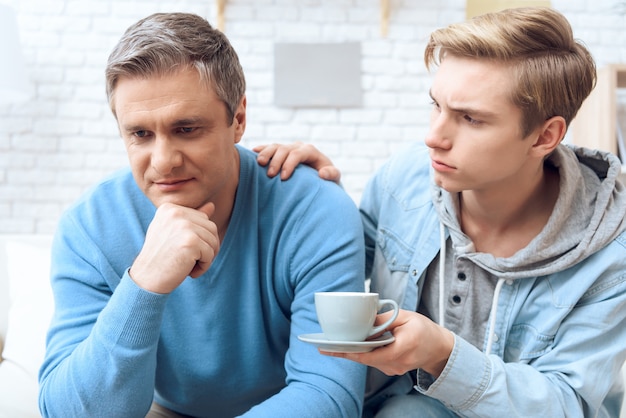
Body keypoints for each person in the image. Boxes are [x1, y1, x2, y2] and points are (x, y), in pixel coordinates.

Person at [255, 7, 626, 417]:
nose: (434, 137)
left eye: (471, 119)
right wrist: (316, 199)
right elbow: (325, 273)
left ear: (545, 135)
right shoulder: (403, 181)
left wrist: (443, 355)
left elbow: (568, 404)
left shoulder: (611, 254)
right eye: (436, 106)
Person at [38, 12, 367, 418]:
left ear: (238, 119)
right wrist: (144, 284)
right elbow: (69, 412)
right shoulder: (88, 228)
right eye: (140, 134)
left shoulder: (318, 210)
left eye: (187, 129)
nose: (163, 162)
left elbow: (330, 393)